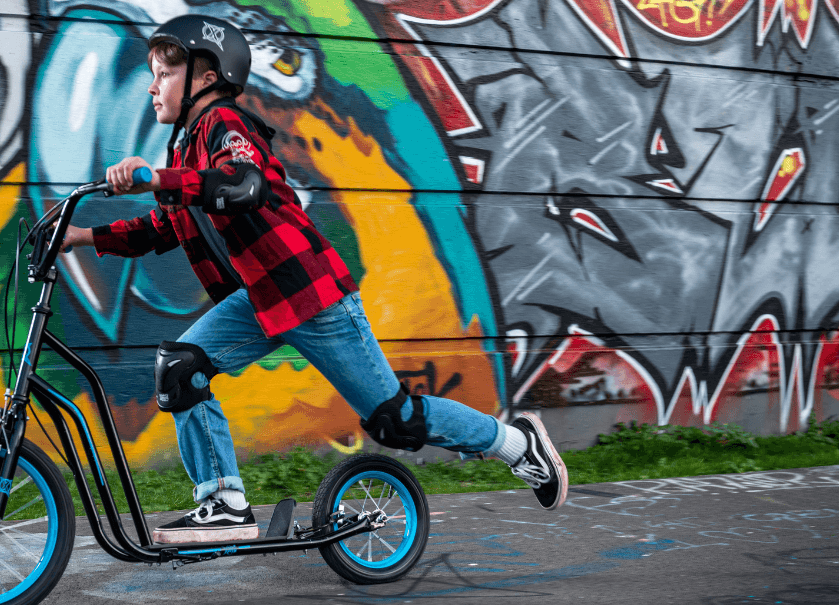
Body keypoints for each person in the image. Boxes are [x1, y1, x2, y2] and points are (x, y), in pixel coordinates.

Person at [59, 15, 567, 544]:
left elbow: (244, 182)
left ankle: (515, 444)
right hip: (260, 299)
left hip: (311, 296)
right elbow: (164, 226)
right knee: (182, 367)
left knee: (395, 420)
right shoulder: (186, 146)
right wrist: (82, 236)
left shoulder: (225, 125)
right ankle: (225, 506)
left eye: (163, 72)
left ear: (205, 78)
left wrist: (155, 178)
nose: (151, 85)